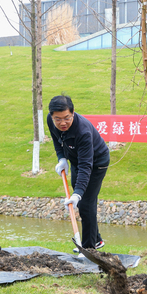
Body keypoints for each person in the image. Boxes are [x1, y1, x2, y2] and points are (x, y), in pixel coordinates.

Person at [47, 95, 110, 253]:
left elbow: (86, 166)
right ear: (52, 116)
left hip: (97, 163)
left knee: (86, 202)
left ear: (73, 112)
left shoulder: (83, 131)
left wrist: (77, 194)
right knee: (82, 202)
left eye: (67, 118)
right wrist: (62, 158)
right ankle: (96, 240)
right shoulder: (51, 120)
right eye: (58, 119)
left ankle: (89, 248)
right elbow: (57, 139)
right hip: (76, 160)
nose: (62, 123)